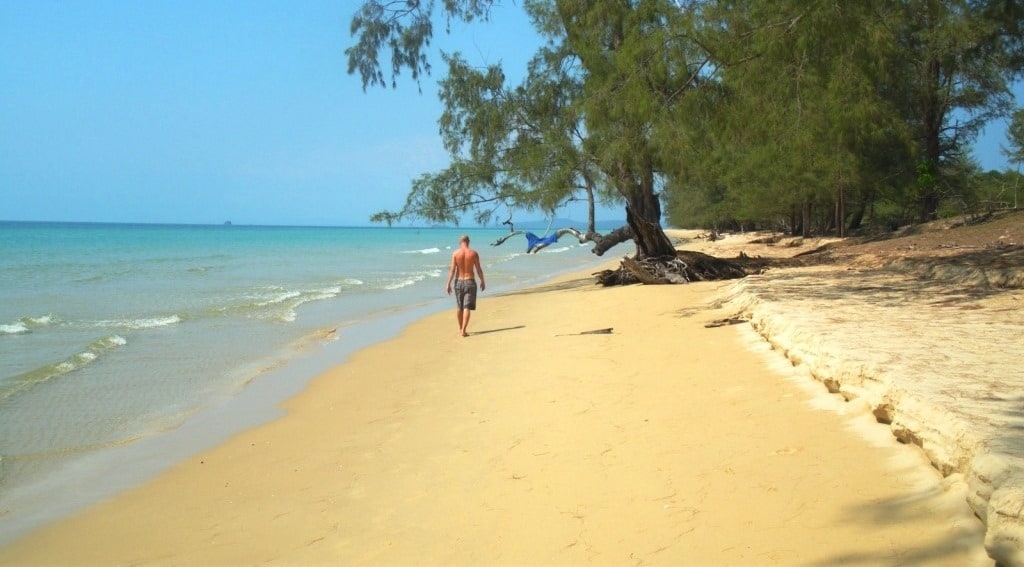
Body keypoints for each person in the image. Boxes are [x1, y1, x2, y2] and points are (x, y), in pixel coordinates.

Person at [445, 234, 485, 337]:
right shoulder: (473, 253)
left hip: (458, 282)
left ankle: (460, 328)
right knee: (467, 307)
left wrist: (448, 284)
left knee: (460, 307)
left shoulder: (455, 253)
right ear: (469, 242)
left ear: (460, 242)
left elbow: (452, 270)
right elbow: (479, 269)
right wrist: (482, 281)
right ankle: (463, 329)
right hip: (470, 281)